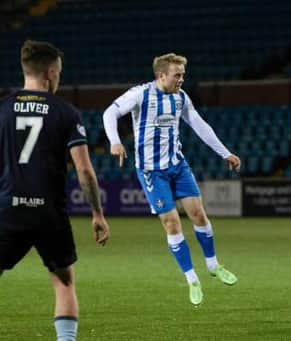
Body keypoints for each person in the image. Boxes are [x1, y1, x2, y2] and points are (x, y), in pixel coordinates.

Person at [102, 53, 241, 305]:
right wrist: (115, 141)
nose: (181, 79)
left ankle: (213, 265)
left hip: (177, 165)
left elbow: (200, 126)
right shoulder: (140, 95)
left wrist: (225, 153)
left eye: (183, 75)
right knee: (172, 224)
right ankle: (192, 279)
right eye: (177, 75)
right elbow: (109, 113)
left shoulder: (181, 97)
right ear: (161, 75)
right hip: (151, 171)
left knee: (199, 214)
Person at [0, 40, 110, 341]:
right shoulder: (65, 112)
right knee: (63, 283)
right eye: (59, 72)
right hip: (49, 214)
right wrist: (97, 213)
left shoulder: (3, 110)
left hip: (8, 209)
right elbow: (85, 170)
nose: (59, 78)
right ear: (50, 72)